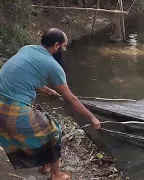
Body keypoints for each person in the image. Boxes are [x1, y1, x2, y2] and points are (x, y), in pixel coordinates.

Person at [0, 28, 101, 180]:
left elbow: (25, 76)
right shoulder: (53, 66)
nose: (65, 49)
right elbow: (71, 99)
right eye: (64, 46)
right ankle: (56, 174)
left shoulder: (26, 49)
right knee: (54, 131)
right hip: (10, 112)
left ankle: (45, 165)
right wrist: (92, 117)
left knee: (40, 122)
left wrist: (47, 90)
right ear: (56, 45)